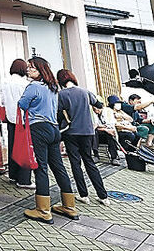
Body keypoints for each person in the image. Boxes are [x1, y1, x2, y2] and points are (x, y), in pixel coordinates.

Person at [19, 57, 78, 224]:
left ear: (40, 70)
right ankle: (69, 206)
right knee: (58, 167)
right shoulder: (53, 87)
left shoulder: (33, 87)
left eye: (31, 68)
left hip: (39, 128)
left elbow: (22, 104)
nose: (28, 70)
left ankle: (43, 210)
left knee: (41, 168)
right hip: (54, 129)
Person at [56, 69, 110, 206]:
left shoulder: (61, 95)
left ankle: (83, 194)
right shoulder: (85, 92)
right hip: (87, 132)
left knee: (75, 163)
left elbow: (58, 114)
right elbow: (99, 104)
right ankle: (103, 196)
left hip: (71, 132)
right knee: (89, 162)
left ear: (60, 81)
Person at [0, 59, 35, 189]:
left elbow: (2, 101)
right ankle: (24, 179)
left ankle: (13, 175)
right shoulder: (25, 84)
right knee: (25, 148)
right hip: (24, 120)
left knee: (12, 146)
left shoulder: (5, 82)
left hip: (10, 118)